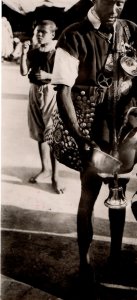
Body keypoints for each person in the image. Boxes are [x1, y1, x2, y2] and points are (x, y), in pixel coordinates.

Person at [51, 0, 137, 291]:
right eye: (111, 2)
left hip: (126, 130)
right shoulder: (74, 36)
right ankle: (85, 264)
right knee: (87, 195)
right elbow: (63, 90)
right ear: (94, 0)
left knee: (119, 192)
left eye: (121, 2)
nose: (117, 9)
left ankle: (115, 256)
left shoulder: (131, 31)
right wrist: (79, 136)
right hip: (92, 132)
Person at [20, 20, 65, 194]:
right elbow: (24, 72)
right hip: (34, 92)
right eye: (37, 32)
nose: (39, 35)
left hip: (50, 93)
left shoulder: (57, 54)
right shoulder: (33, 52)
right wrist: (24, 54)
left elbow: (66, 76)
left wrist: (48, 75)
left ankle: (56, 176)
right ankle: (45, 169)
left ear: (52, 35)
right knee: (40, 133)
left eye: (43, 32)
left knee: (52, 134)